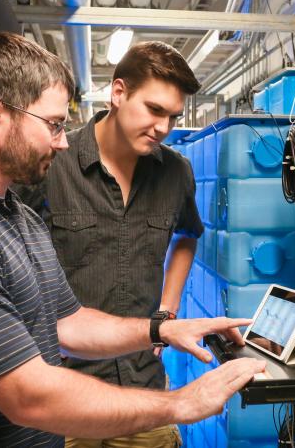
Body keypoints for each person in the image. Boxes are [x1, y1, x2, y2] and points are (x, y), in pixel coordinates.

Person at [0, 32, 264, 447]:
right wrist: (182, 402)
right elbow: (30, 396)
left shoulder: (11, 216)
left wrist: (161, 329)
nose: (62, 141)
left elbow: (67, 323)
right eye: (54, 125)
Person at [14, 40, 203, 448]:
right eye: (154, 110)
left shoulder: (176, 173)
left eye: (173, 116)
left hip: (142, 386)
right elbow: (11, 251)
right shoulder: (52, 163)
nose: (164, 128)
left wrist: (166, 312)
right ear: (118, 93)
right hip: (63, 388)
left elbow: (189, 235)